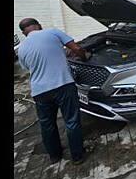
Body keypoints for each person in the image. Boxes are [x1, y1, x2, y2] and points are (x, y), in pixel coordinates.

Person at [17, 18, 90, 165]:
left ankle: (55, 156)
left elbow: (28, 68)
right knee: (71, 121)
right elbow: (76, 49)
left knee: (47, 124)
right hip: (63, 84)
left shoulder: (21, 48)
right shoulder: (53, 32)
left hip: (39, 92)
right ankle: (77, 156)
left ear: (24, 32)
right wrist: (85, 57)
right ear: (39, 25)